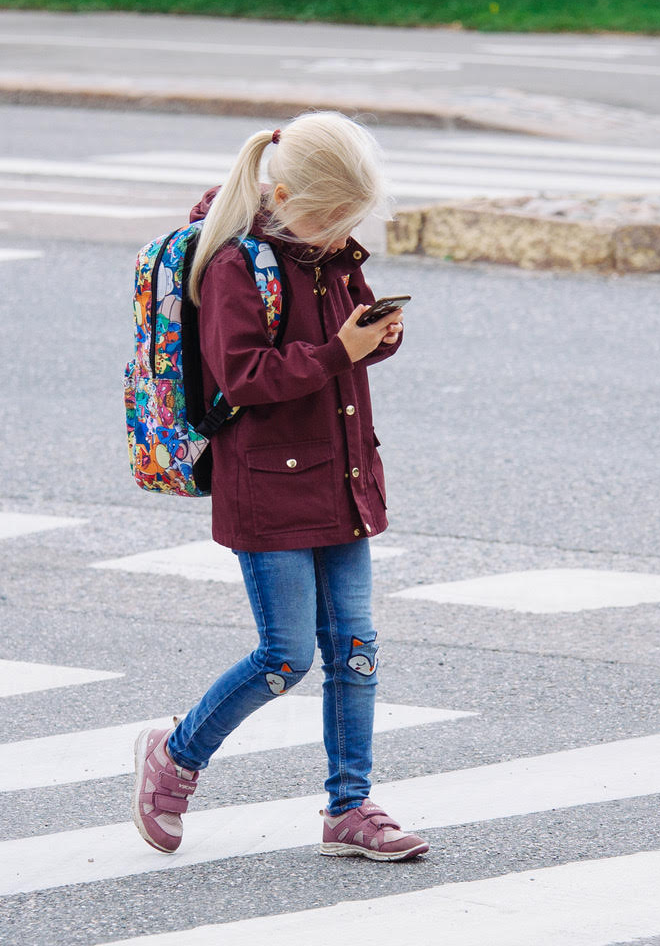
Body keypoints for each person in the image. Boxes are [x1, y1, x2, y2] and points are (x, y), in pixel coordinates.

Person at [131, 111, 427, 862]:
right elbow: (244, 377)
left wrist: (376, 341)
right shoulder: (234, 265)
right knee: (285, 657)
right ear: (287, 198)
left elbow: (343, 350)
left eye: (351, 220)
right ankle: (175, 755)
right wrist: (338, 352)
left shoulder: (334, 254)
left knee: (355, 651)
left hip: (343, 481)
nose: (340, 233)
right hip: (267, 490)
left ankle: (349, 807)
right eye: (331, 218)